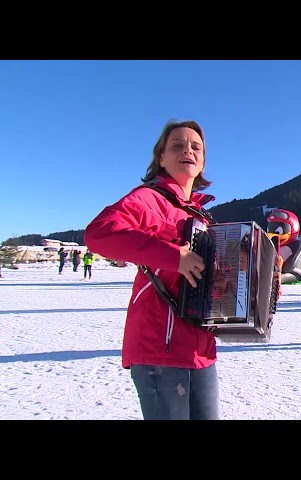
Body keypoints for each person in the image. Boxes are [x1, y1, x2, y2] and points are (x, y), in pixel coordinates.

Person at [84, 120, 220, 420]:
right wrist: (173, 256)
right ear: (161, 158)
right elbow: (98, 234)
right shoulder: (149, 199)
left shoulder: (200, 215)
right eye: (177, 145)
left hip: (200, 349)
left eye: (196, 147)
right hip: (161, 348)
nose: (188, 150)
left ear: (203, 161)